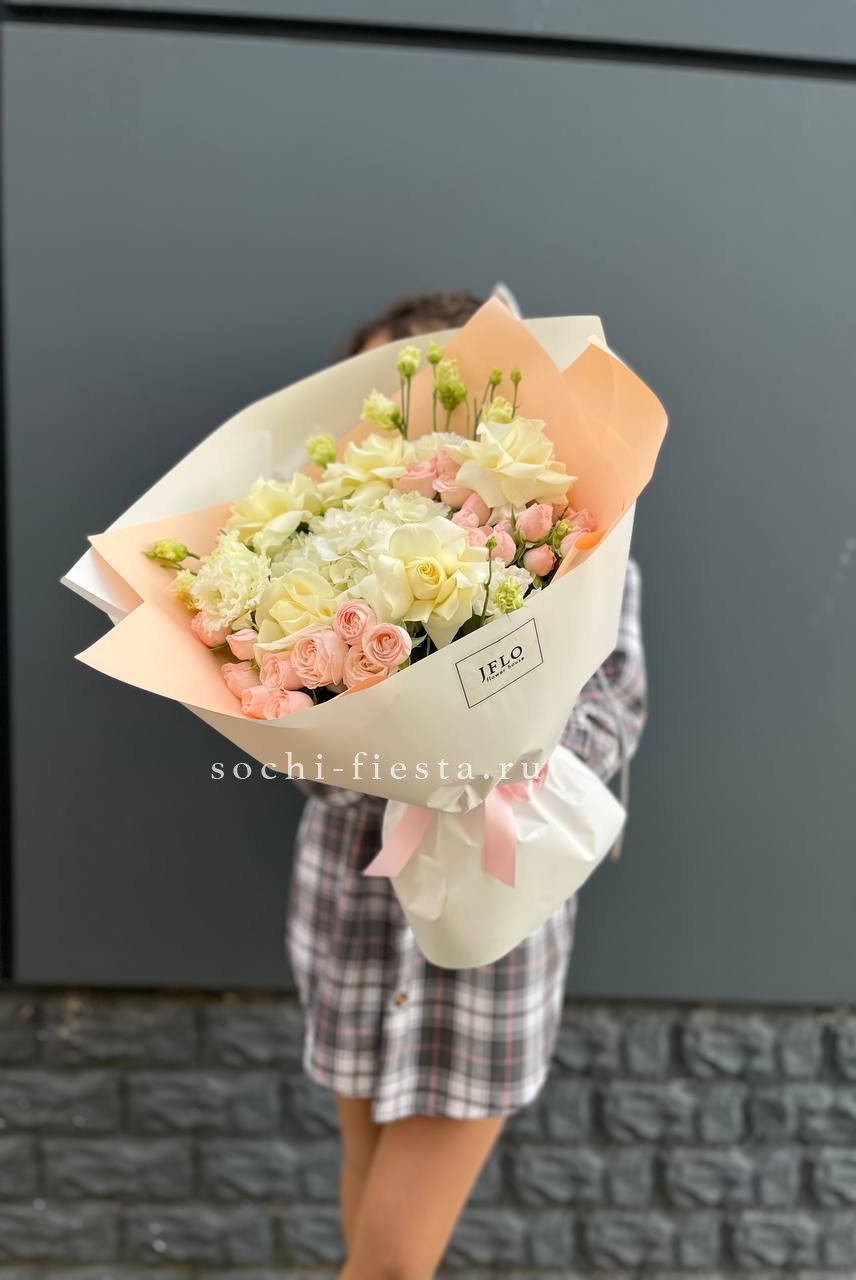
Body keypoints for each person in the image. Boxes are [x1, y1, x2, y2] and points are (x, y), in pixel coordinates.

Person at [285, 289, 647, 1279]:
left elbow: (613, 711)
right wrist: (360, 724)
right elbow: (303, 756)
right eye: (372, 387)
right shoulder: (315, 546)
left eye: (411, 382)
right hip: (351, 908)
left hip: (490, 914)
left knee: (394, 1259)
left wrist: (489, 746)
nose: (393, 413)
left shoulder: (578, 541)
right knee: (366, 1199)